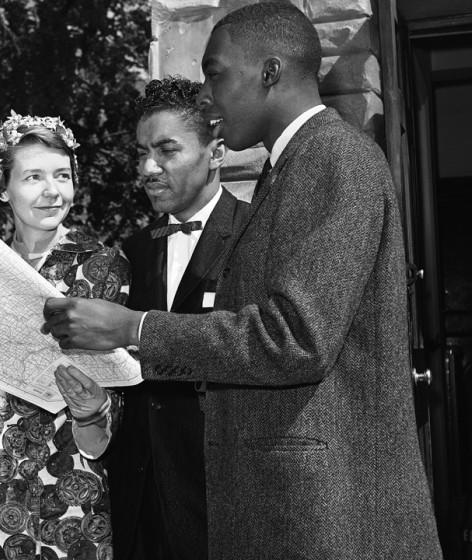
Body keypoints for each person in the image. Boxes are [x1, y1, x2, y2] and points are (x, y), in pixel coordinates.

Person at [41, 3, 444, 558]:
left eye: (216, 73)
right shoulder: (291, 169)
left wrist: (135, 328)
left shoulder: (335, 159)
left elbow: (295, 338)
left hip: (328, 512)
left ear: (270, 72)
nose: (207, 96)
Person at [0, 112, 130, 560]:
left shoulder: (104, 267)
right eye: (33, 177)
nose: (51, 191)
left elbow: (115, 398)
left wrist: (90, 412)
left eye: (62, 175)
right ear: (3, 187)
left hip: (70, 503)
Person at [105, 76, 248, 560]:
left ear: (218, 150)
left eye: (167, 150)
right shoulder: (130, 252)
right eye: (142, 152)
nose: (148, 167)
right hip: (140, 508)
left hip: (227, 503)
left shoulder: (256, 236)